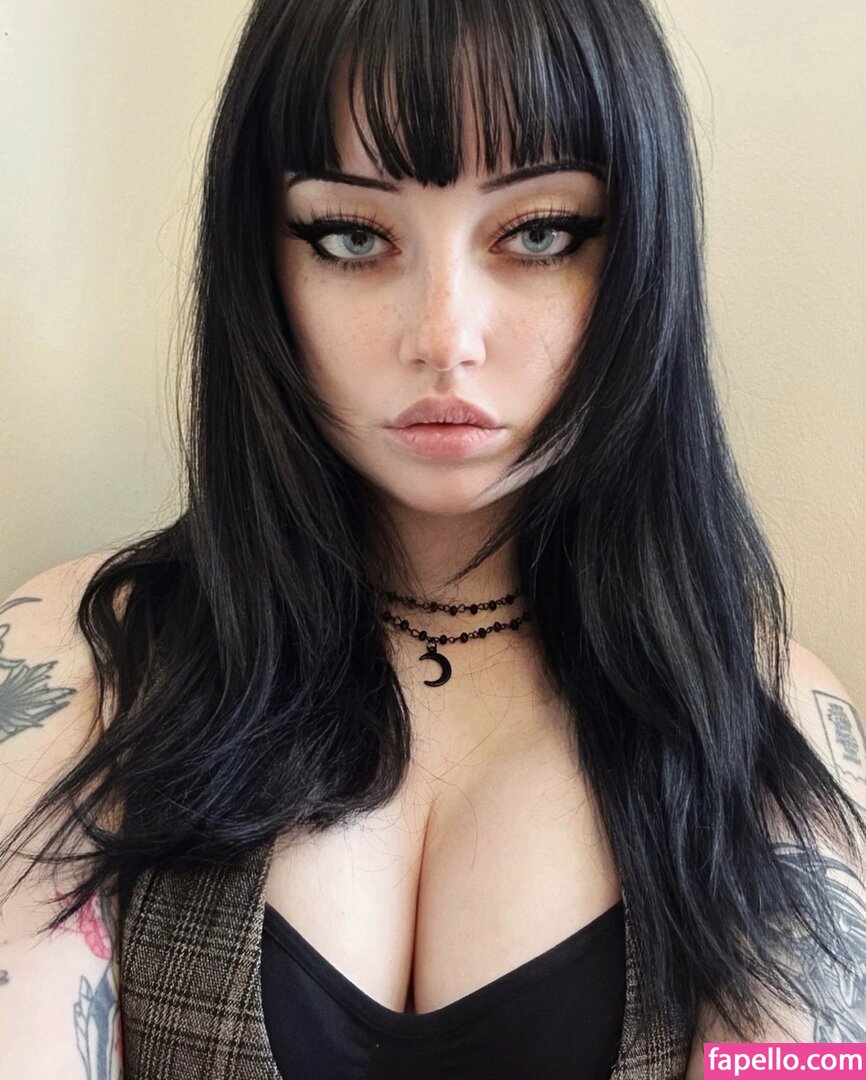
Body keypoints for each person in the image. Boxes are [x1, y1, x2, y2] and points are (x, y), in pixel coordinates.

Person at [1, 0, 864, 1076]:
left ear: (640, 254)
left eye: (539, 233)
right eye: (351, 236)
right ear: (261, 261)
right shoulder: (80, 667)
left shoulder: (766, 727)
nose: (443, 337)